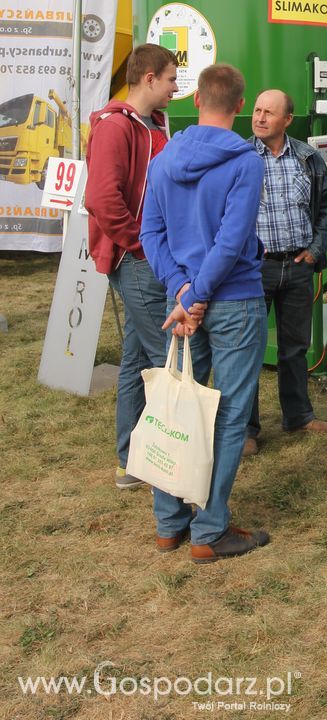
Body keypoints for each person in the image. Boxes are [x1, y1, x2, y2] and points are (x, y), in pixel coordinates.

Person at [140, 63, 270, 564]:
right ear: (240, 106)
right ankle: (209, 531)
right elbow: (232, 240)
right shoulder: (245, 161)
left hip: (185, 304)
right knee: (231, 414)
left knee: (173, 406)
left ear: (195, 100)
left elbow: (150, 234)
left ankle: (169, 523)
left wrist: (183, 291)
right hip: (233, 299)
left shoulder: (164, 157)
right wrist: (196, 294)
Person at [85, 42, 178, 489]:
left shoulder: (153, 124)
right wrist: (140, 244)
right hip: (137, 257)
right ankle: (173, 457)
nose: (176, 88)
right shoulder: (115, 127)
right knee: (167, 360)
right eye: (172, 79)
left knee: (136, 358)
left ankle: (130, 460)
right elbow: (102, 198)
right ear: (149, 79)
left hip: (148, 253)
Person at [245, 89, 327, 440]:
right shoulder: (241, 157)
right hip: (256, 269)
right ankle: (246, 430)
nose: (260, 117)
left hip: (298, 265)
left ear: (287, 120)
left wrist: (315, 250)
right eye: (257, 110)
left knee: (295, 347)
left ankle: (298, 415)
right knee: (248, 350)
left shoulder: (307, 158)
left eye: (269, 112)